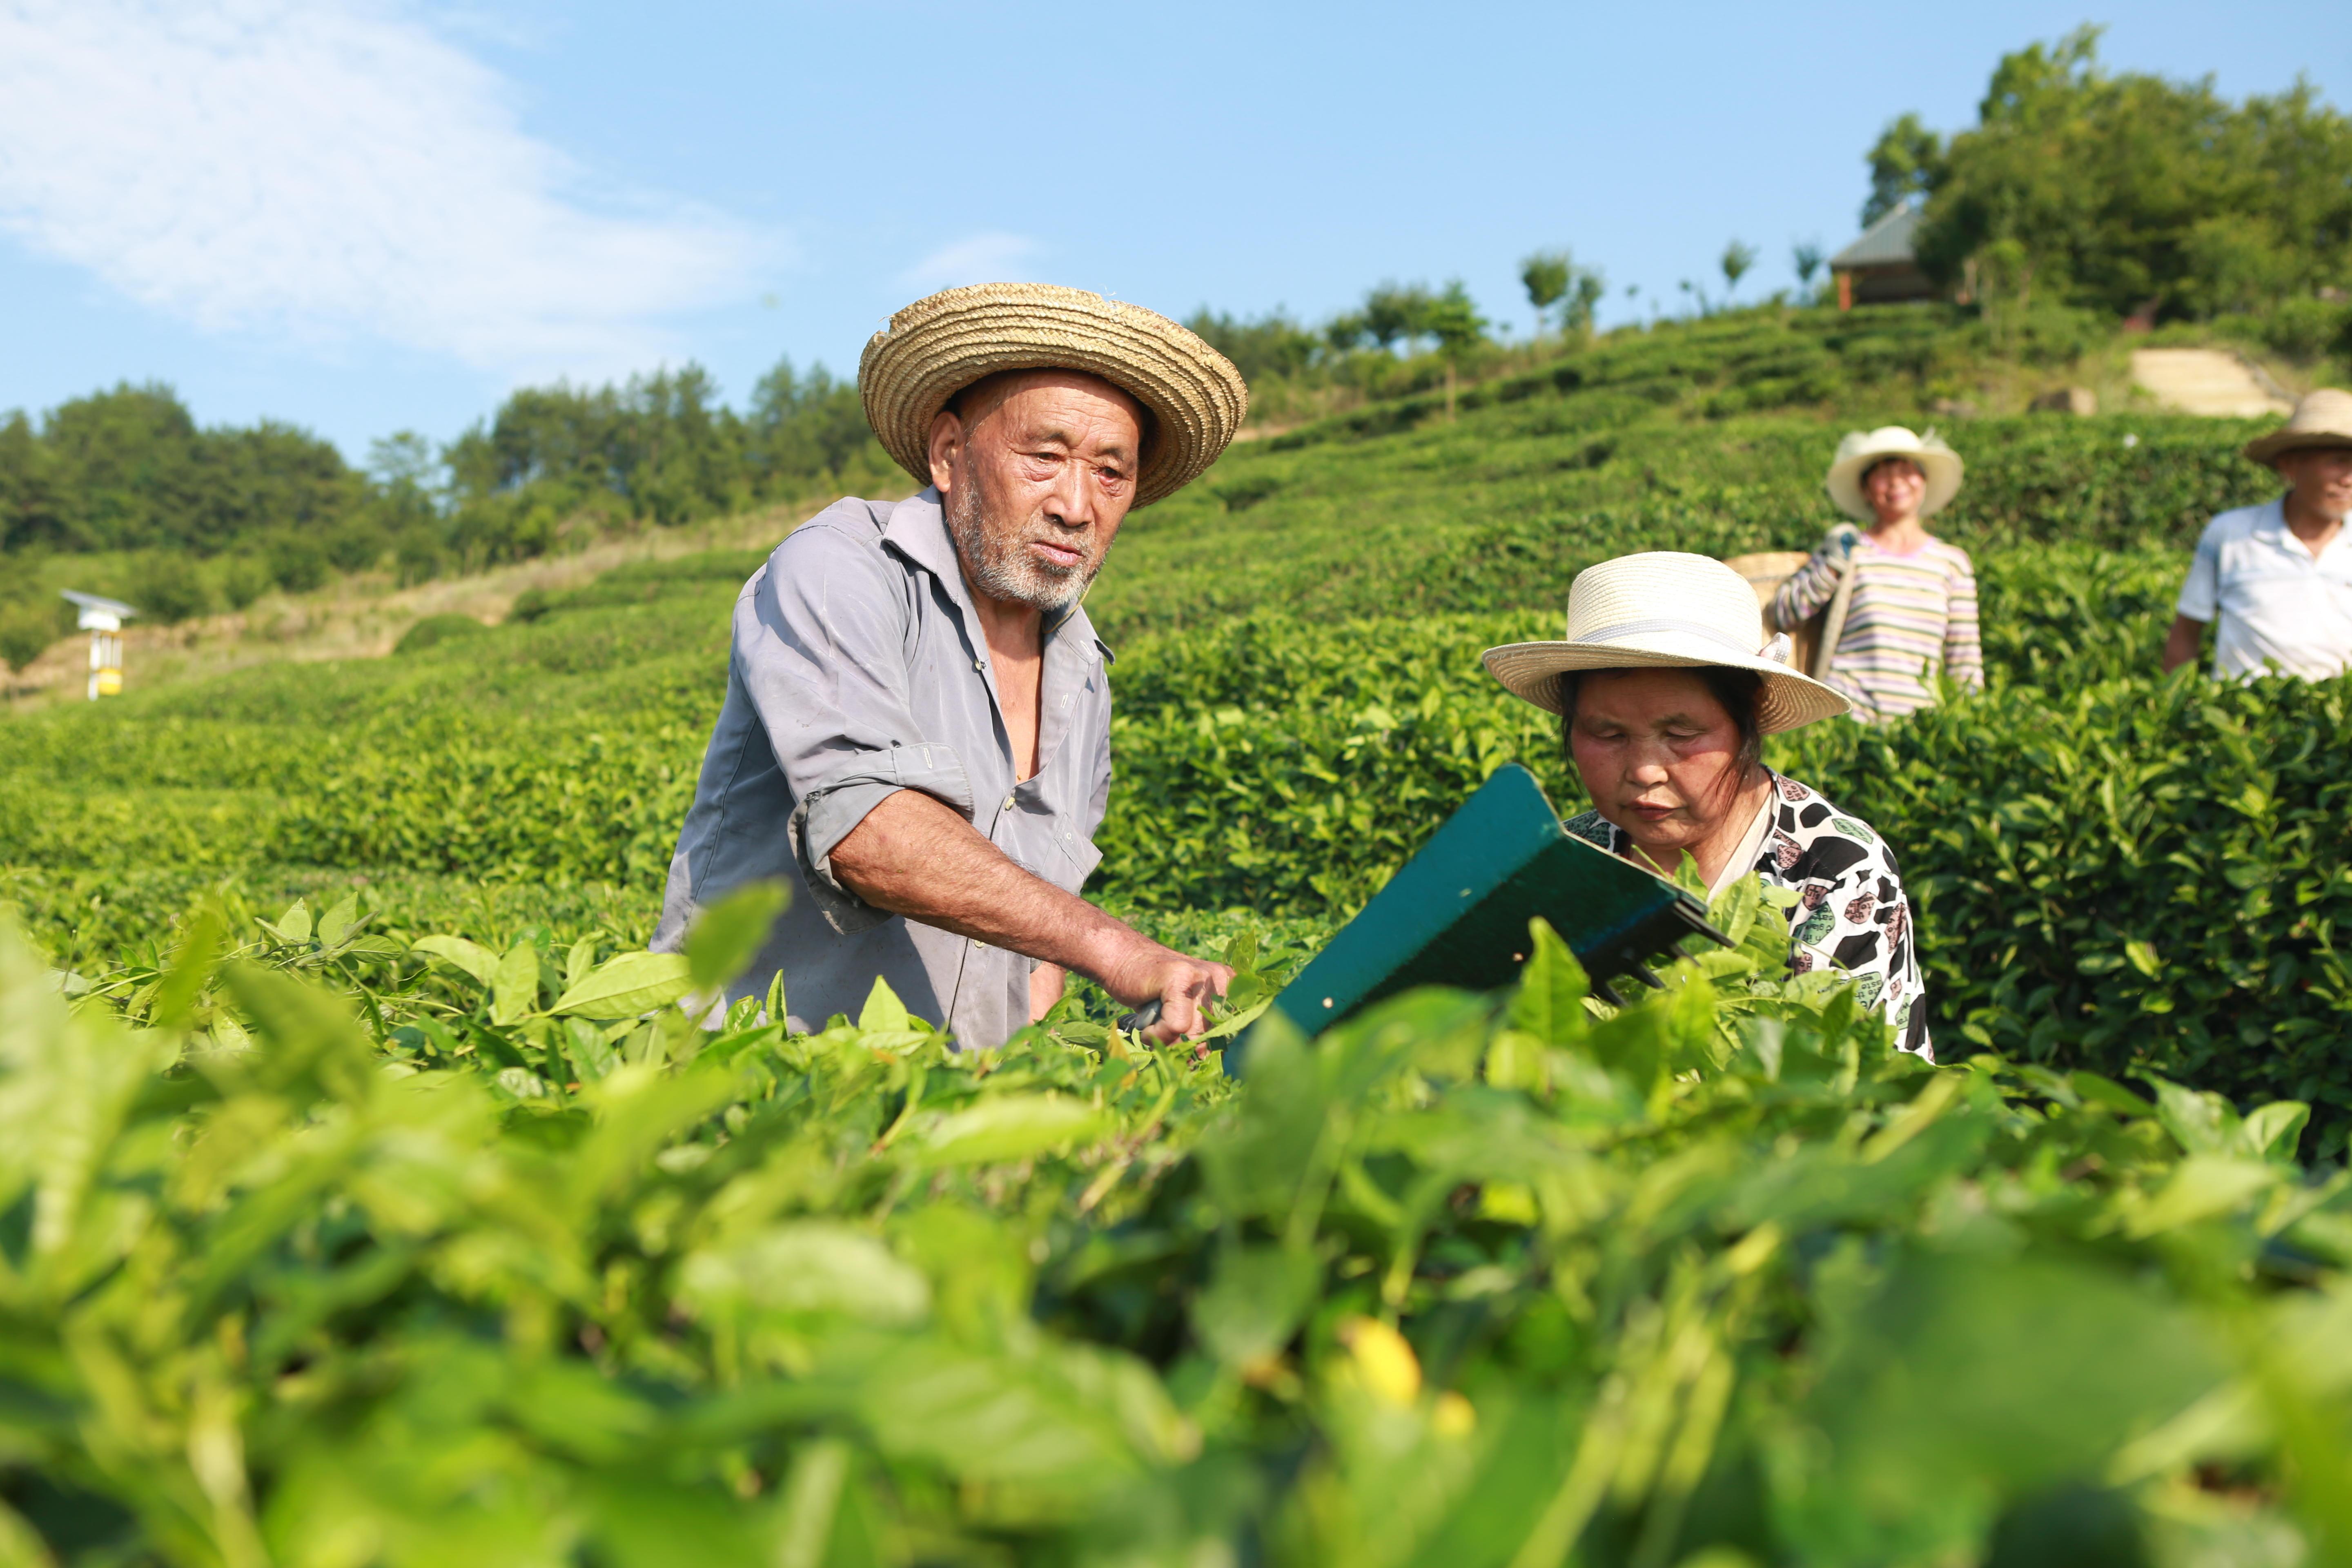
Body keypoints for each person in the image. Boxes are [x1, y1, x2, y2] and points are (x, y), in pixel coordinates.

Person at [651, 283, 1250, 1049]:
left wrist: (1066, 1062)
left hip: (950, 1104)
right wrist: (1119, 951)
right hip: (759, 1078)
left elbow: (1036, 952)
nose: (1076, 505)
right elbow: (870, 832)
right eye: (1045, 457)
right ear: (948, 454)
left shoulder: (1084, 675)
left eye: (1110, 473)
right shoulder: (841, 569)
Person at [1484, 552, 1933, 1056]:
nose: (1644, 771)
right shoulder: (1565, 861)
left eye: (1681, 734)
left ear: (1749, 718)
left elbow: (1857, 1079)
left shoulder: (1836, 871)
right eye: (1607, 734)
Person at [1769, 426, 1984, 721]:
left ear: (1923, 481)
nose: (1896, 482)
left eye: (1907, 470)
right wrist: (1833, 566)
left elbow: (1965, 658)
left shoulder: (1952, 563)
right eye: (1882, 474)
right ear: (1866, 489)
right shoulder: (1848, 549)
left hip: (1920, 724)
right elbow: (1784, 613)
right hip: (1845, 719)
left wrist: (1971, 717)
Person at [2163, 388, 2352, 680]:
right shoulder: (2231, 535)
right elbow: (2186, 634)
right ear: (2290, 465)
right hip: (2246, 707)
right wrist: (2174, 700)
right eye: (2338, 461)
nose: (2349, 479)